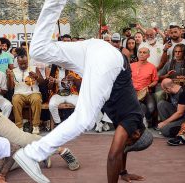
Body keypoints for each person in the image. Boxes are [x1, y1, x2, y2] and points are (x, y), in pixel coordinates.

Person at [12, 1, 153, 183]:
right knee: (84, 119)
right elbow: (113, 155)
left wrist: (123, 172)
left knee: (39, 51)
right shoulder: (132, 121)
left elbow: (121, 151)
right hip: (110, 63)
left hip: (96, 49)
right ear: (136, 134)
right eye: (129, 143)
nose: (124, 143)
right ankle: (32, 154)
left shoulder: (133, 121)